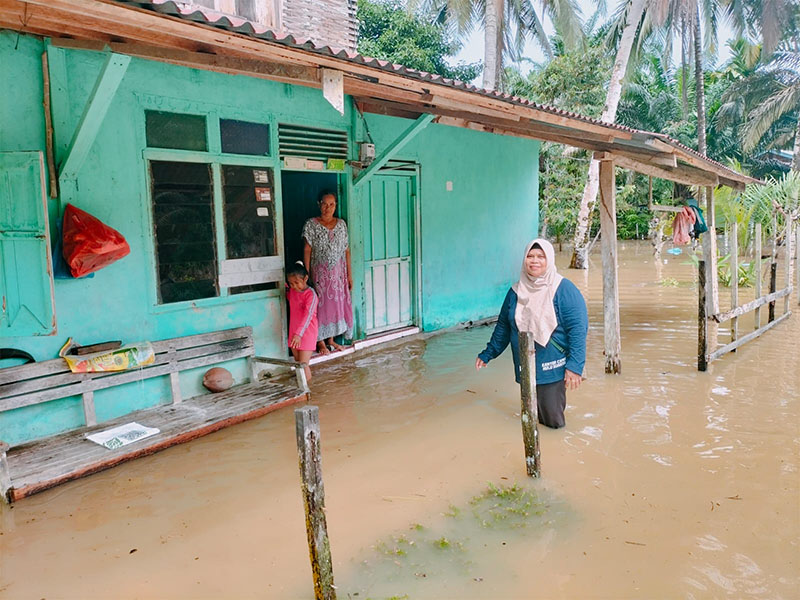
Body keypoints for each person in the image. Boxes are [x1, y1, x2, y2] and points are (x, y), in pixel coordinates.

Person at [476, 239, 588, 429]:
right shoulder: (515, 291)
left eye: (540, 256)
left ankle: (556, 453)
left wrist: (575, 367)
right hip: (525, 366)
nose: (534, 260)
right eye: (530, 256)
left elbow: (578, 329)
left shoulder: (563, 289)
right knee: (531, 416)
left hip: (553, 367)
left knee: (553, 422)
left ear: (549, 260)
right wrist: (488, 353)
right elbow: (504, 327)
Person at [302, 191, 353, 354]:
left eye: (331, 204)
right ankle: (320, 342)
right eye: (324, 203)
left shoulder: (341, 224)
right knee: (320, 306)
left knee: (334, 306)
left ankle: (331, 340)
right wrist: (307, 273)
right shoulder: (311, 224)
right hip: (319, 273)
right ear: (319, 204)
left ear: (336, 206)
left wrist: (349, 275)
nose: (328, 207)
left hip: (338, 274)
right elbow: (307, 249)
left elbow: (346, 251)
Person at [286, 261, 318, 383]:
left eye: (296, 282)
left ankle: (307, 390)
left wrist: (299, 334)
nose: (294, 286)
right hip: (294, 331)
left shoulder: (311, 295)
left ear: (305, 278)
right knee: (298, 362)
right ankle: (302, 387)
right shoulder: (293, 291)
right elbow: (289, 296)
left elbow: (308, 316)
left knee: (303, 364)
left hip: (306, 332)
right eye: (291, 283)